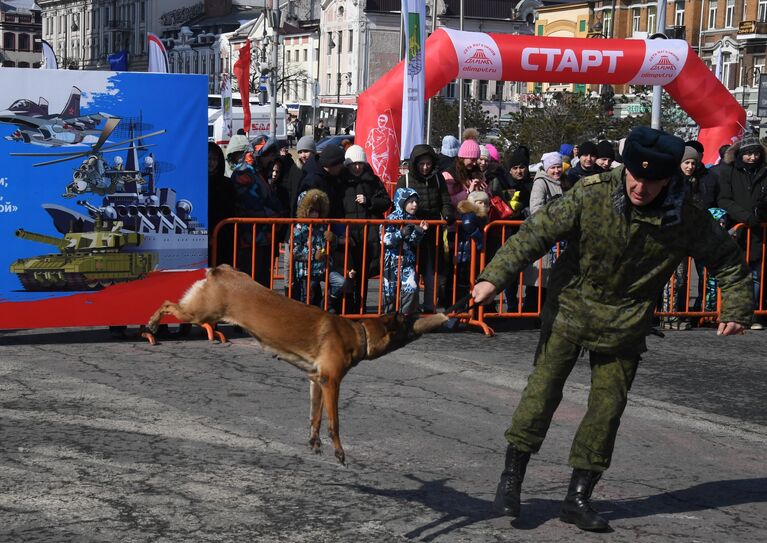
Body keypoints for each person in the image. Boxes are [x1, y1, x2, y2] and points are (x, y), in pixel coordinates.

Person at [472, 126, 752, 532]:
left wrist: (739, 307)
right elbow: (536, 232)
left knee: (607, 410)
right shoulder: (593, 193)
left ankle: (578, 497)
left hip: (626, 320)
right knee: (541, 394)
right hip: (570, 307)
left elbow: (727, 259)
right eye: (635, 177)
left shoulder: (684, 216)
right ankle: (511, 479)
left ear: (669, 179)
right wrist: (493, 277)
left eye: (653, 181)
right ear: (625, 170)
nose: (641, 187)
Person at [396, 144, 455, 312]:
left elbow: (445, 200)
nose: (425, 167)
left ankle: (430, 307)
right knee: (411, 271)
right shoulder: (405, 180)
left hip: (432, 231)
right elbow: (398, 205)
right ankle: (411, 308)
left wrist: (448, 214)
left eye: (428, 163)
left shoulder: (438, 178)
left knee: (431, 272)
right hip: (412, 231)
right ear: (415, 163)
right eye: (421, 164)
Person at [333, 144, 392, 313]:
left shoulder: (373, 180)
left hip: (368, 235)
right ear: (348, 165)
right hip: (348, 234)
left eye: (360, 164)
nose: (357, 168)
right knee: (347, 272)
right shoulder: (341, 182)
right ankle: (345, 308)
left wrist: (369, 201)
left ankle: (361, 307)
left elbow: (386, 202)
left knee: (364, 274)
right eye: (354, 165)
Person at [718, 132, 767, 330]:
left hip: (759, 233)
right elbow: (724, 199)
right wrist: (745, 217)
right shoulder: (729, 172)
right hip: (737, 230)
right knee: (735, 275)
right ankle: (731, 314)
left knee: (756, 274)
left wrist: (761, 212)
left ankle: (750, 314)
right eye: (748, 154)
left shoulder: (765, 171)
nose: (752, 157)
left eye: (756, 153)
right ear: (740, 154)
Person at [230, 136, 284, 286]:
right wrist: (276, 216)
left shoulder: (257, 172)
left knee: (262, 282)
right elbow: (252, 205)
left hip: (262, 237)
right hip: (250, 238)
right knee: (252, 284)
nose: (272, 159)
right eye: (271, 155)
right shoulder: (244, 173)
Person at [291, 188, 347, 311]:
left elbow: (330, 248)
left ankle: (327, 303)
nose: (315, 214)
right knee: (307, 298)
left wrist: (333, 239)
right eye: (312, 210)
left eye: (317, 210)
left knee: (340, 282)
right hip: (307, 271)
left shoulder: (322, 226)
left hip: (324, 267)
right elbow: (295, 250)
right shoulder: (299, 228)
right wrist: (312, 255)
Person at [382, 187, 428, 314]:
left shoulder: (415, 220)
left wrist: (420, 232)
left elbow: (414, 242)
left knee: (411, 288)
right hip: (391, 263)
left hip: (407, 262)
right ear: (402, 202)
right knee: (390, 293)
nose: (415, 205)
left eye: (416, 202)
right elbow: (384, 239)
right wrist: (400, 234)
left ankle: (405, 318)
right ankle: (388, 319)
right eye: (411, 201)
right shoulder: (391, 218)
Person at [455, 191, 489, 302]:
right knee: (465, 282)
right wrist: (478, 238)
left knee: (472, 280)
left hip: (470, 252)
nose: (483, 205)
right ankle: (462, 306)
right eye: (480, 203)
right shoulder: (471, 214)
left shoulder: (479, 215)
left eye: (485, 203)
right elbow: (468, 223)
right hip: (466, 253)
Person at [208, 141, 236, 266]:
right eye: (208, 158)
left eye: (214, 159)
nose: (211, 163)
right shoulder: (195, 183)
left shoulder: (227, 184)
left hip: (223, 237)